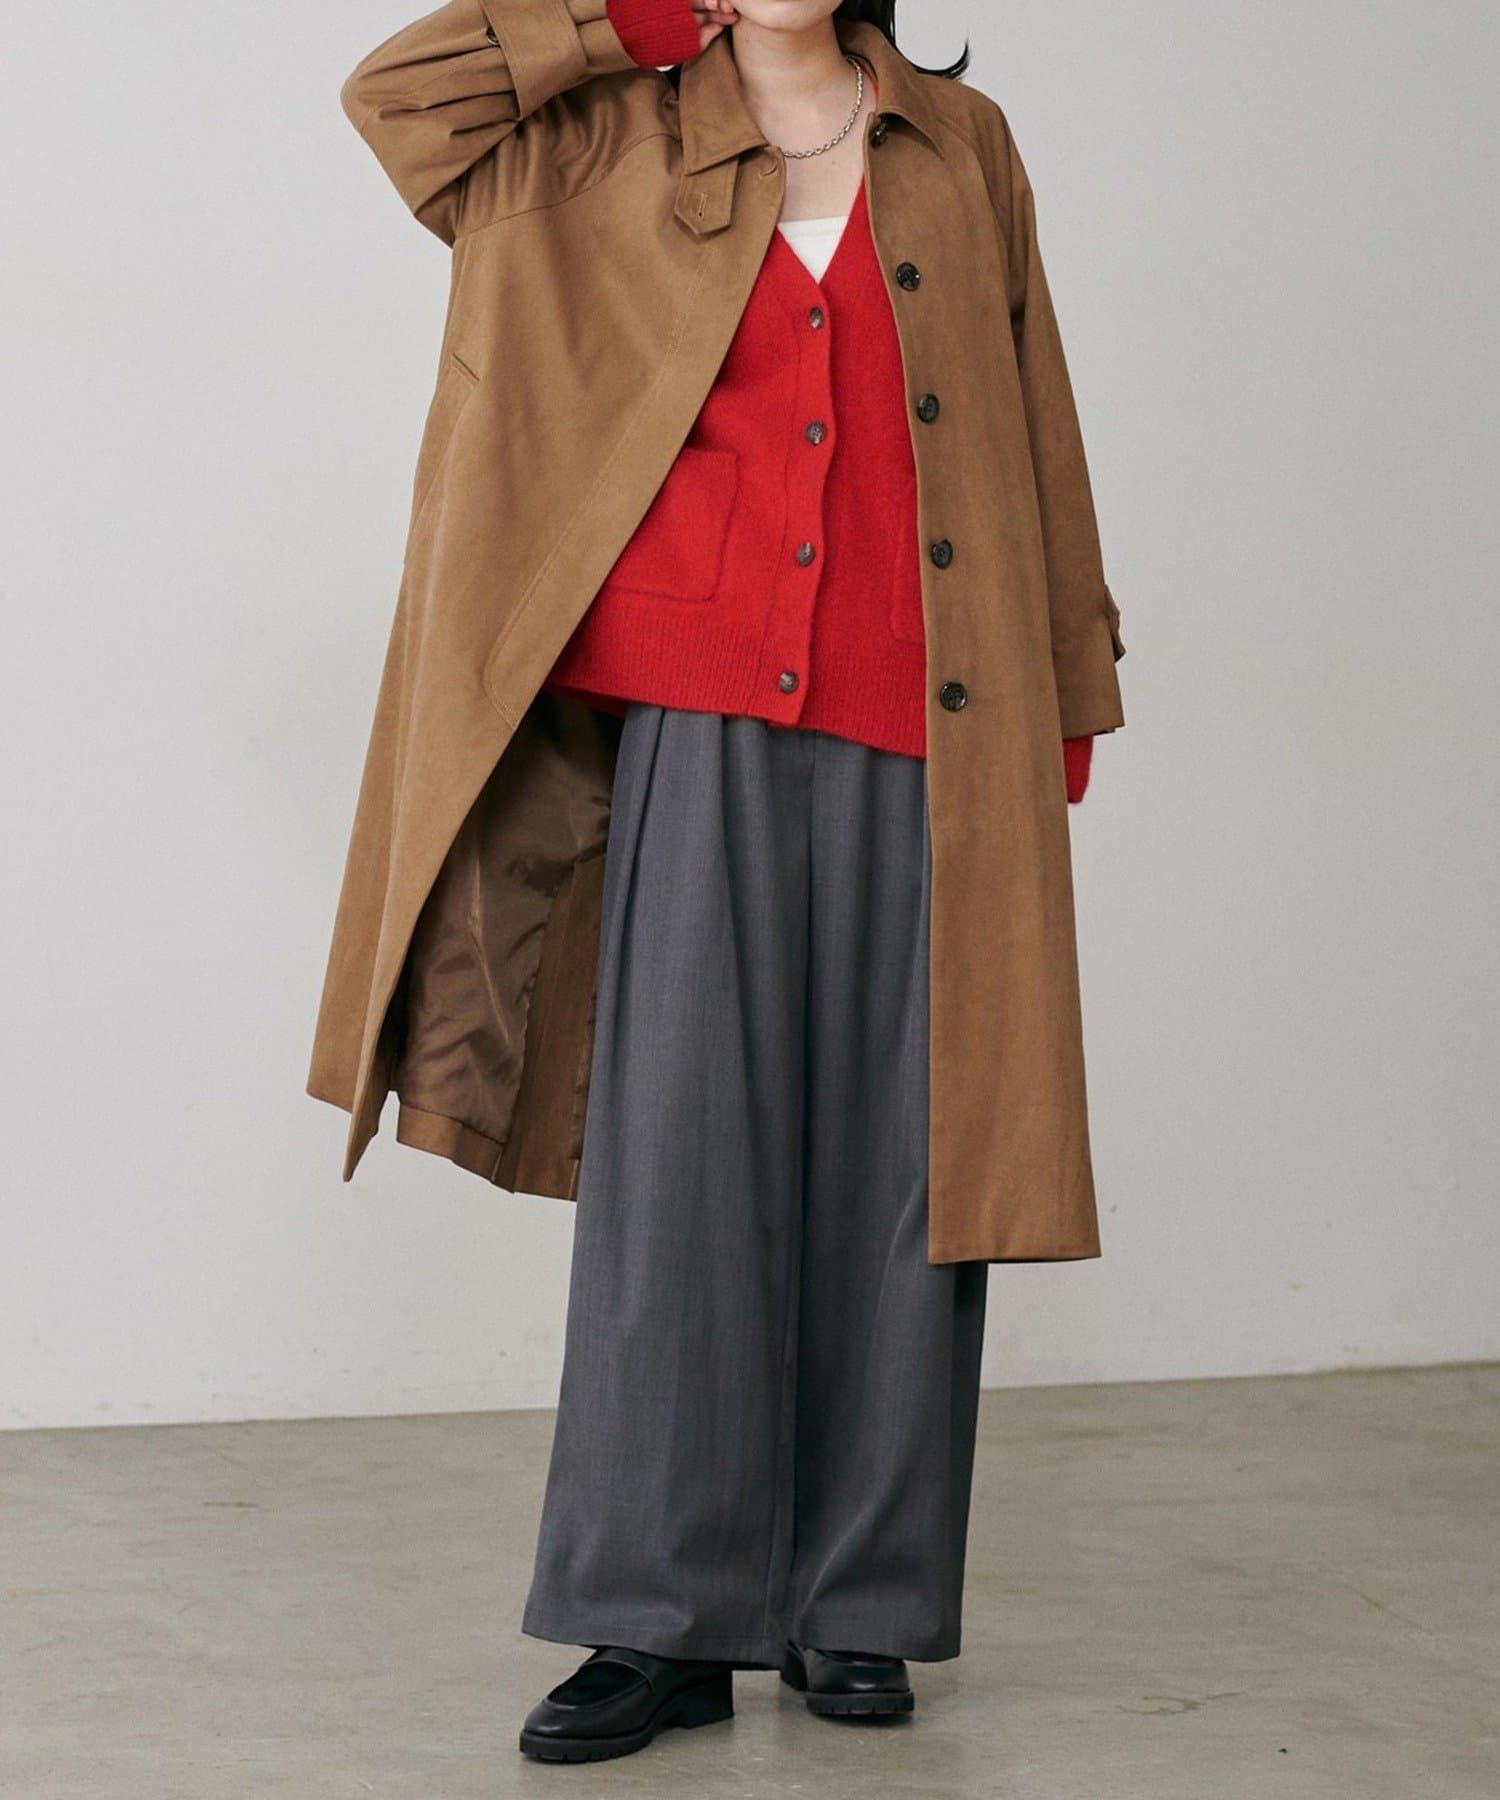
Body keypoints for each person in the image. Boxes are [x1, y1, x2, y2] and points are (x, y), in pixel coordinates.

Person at [312, 0, 1126, 1764]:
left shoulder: (960, 144)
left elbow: (1035, 410)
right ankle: (659, 1621)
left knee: (911, 1171)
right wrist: (617, 19)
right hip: (694, 715)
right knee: (678, 1163)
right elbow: (399, 100)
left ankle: (861, 1609)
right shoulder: (604, 126)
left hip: (934, 709)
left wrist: (1071, 687)